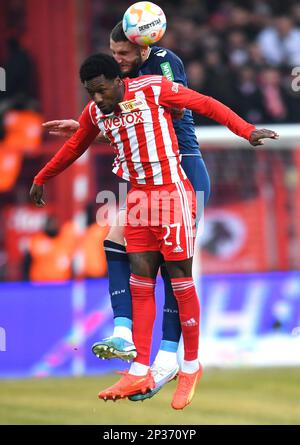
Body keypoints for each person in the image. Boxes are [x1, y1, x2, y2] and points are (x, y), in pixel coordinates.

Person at [30, 53, 278, 409]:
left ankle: (189, 366)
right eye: (91, 93)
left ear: (118, 80)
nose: (97, 99)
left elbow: (205, 104)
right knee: (141, 283)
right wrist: (43, 176)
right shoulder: (95, 112)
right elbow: (75, 145)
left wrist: (246, 130)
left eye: (101, 91)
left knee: (179, 280)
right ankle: (139, 369)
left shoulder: (153, 88)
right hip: (137, 200)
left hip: (171, 193)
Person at [42, 22, 211, 402]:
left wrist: (246, 129)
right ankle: (127, 339)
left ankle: (170, 358)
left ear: (143, 49)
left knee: (176, 271)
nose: (118, 60)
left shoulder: (161, 70)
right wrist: (87, 126)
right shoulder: (119, 90)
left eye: (123, 54)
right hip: (148, 185)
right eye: (113, 53)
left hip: (183, 169)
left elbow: (176, 115)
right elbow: (128, 125)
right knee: (117, 243)